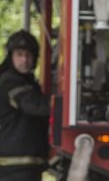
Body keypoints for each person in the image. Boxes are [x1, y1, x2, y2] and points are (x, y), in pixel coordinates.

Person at [0, 30, 49, 181]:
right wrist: (62, 106)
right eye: (19, 54)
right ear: (11, 56)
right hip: (14, 167)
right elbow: (32, 105)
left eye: (28, 55)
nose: (24, 60)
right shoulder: (9, 82)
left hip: (27, 166)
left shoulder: (29, 84)